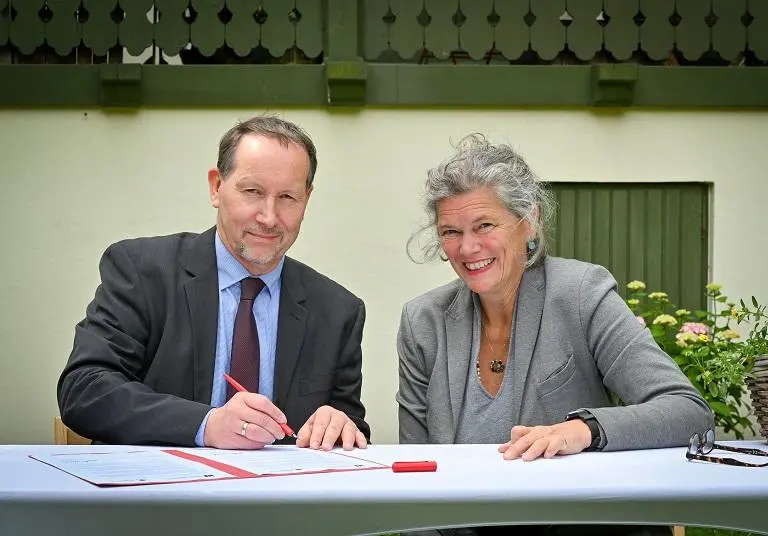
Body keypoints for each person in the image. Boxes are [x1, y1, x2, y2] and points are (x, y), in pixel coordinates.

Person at [396, 134, 713, 536]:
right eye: (450, 232)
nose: (467, 247)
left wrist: (581, 430)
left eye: (484, 225)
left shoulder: (581, 294)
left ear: (529, 223)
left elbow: (688, 412)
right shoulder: (423, 321)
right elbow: (414, 476)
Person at [58, 115, 370, 451]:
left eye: (287, 197)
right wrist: (205, 425)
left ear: (306, 200)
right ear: (216, 187)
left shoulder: (338, 311)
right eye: (252, 191)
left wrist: (339, 425)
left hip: (280, 485)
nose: (268, 217)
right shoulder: (143, 271)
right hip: (160, 482)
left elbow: (351, 430)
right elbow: (84, 389)